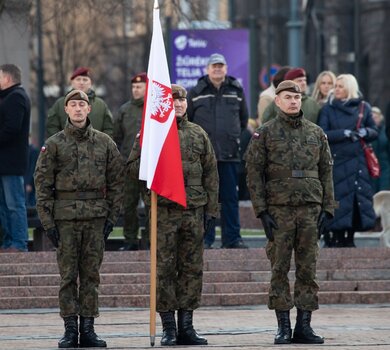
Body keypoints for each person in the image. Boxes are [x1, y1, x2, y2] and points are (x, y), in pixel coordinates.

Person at [127, 84, 218, 346]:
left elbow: (211, 174)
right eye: (173, 100)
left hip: (193, 211)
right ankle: (168, 326)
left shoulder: (198, 133)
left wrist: (211, 210)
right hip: (164, 212)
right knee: (164, 269)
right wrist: (149, 154)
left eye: (181, 101)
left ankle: (186, 326)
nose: (178, 104)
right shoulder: (151, 133)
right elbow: (133, 170)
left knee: (191, 269)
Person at [245, 80, 335, 345]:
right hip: (279, 211)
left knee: (308, 270)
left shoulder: (316, 133)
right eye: (288, 97)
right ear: (278, 101)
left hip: (310, 209)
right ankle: (283, 326)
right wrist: (261, 212)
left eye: (297, 97)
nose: (294, 101)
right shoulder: (265, 134)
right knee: (279, 269)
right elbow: (253, 174)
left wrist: (328, 208)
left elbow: (326, 171)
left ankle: (303, 327)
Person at [34, 89, 124, 348]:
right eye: (72, 104)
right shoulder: (54, 144)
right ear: (66, 109)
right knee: (67, 276)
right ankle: (70, 329)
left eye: (81, 104)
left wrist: (111, 216)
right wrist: (48, 223)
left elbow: (117, 181)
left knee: (91, 275)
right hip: (65, 219)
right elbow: (42, 185)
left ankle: (88, 329)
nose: (77, 109)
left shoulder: (105, 142)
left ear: (88, 108)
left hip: (96, 217)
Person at [187, 53, 249, 249]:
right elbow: (187, 120)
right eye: (214, 66)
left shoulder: (236, 90)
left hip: (229, 155)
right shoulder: (196, 91)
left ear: (226, 69)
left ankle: (232, 239)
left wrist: (231, 138)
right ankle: (206, 238)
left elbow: (243, 120)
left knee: (230, 199)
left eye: (220, 66)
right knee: (205, 199)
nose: (217, 69)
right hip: (203, 157)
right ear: (207, 69)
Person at [318, 74, 378, 248]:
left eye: (340, 86)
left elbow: (374, 130)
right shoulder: (328, 109)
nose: (336, 89)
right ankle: (335, 235)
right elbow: (322, 133)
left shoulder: (363, 108)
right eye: (335, 86)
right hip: (336, 162)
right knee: (337, 201)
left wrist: (365, 132)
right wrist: (343, 133)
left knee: (356, 200)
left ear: (350, 88)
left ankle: (350, 236)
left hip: (358, 163)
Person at [113, 72, 149, 251]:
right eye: (133, 87)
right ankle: (130, 240)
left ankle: (151, 238)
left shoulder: (152, 109)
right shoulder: (124, 110)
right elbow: (116, 137)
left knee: (151, 204)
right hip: (130, 165)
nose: (135, 90)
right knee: (129, 204)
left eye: (139, 87)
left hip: (150, 165)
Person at [0, 64, 30, 253]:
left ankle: (19, 243)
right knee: (4, 206)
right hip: (4, 163)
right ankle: (9, 241)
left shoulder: (16, 97)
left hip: (11, 162)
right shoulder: (7, 97)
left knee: (14, 205)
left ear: (8, 78)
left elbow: (12, 129)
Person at [46, 67, 113, 138]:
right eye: (78, 79)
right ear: (72, 82)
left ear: (90, 83)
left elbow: (109, 128)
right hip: (66, 147)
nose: (81, 83)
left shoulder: (100, 105)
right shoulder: (60, 103)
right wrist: (61, 143)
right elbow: (52, 126)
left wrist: (101, 144)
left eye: (85, 80)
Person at [370, 106, 390, 192]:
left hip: (385, 166)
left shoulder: (386, 131)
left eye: (376, 117)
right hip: (371, 166)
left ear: (380, 118)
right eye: (372, 117)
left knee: (384, 192)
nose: (374, 119)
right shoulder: (367, 132)